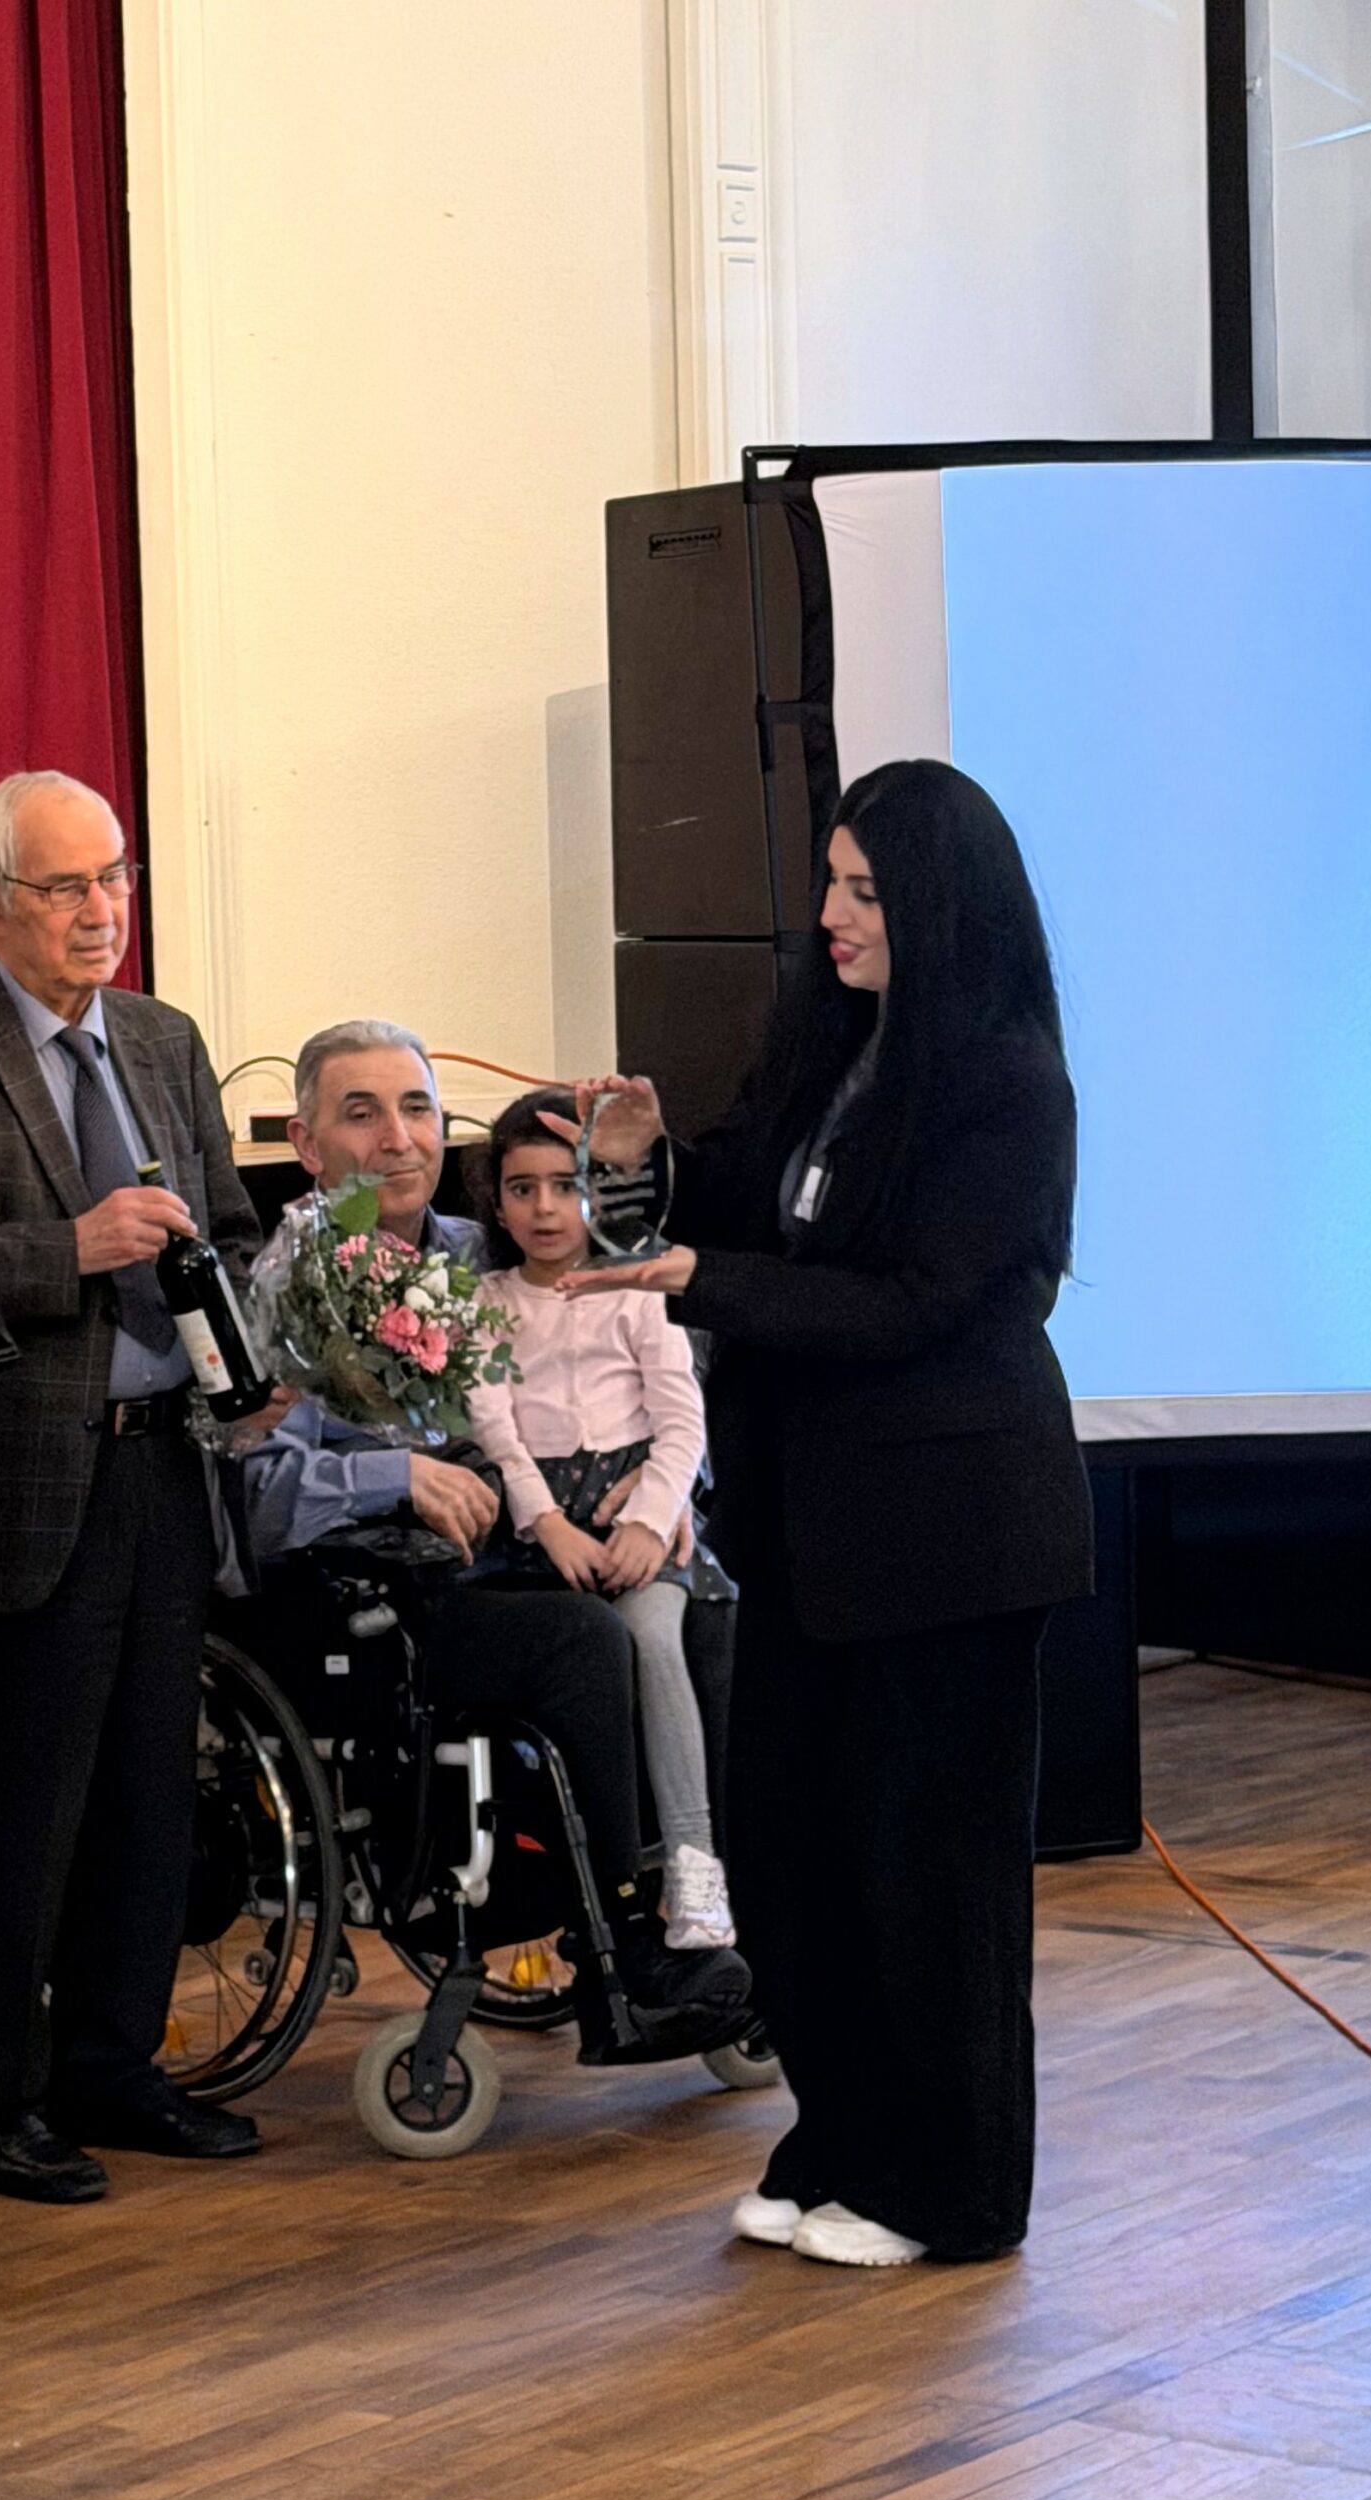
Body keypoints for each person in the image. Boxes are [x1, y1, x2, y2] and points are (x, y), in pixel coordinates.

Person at [562, 759, 1092, 2268]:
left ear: (937, 903)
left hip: (949, 1539)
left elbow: (914, 1303)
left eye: (864, 890)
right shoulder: (834, 1047)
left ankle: (952, 2191)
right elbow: (741, 1193)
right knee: (798, 1860)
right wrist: (648, 1165)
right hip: (810, 1535)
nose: (832, 915)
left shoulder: (1008, 1083)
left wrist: (706, 1283)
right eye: (831, 884)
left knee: (930, 1881)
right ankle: (844, 2139)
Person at [0, 770, 264, 2203]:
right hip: (13, 1483)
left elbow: (228, 1227)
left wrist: (258, 1351)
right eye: (66, 886)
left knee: (145, 1797)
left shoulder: (162, 1039)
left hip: (164, 1466)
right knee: (12, 1814)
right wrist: (70, 1249)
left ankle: (116, 2068)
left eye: (115, 877)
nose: (102, 909)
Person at [240, 1021, 752, 2051]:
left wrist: (658, 1494)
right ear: (305, 1143)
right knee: (584, 1639)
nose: (397, 1138)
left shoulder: (482, 1250)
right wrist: (395, 1473)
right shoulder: (288, 1284)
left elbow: (645, 1356)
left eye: (417, 1109)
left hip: (525, 1549)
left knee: (707, 1608)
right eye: (361, 1113)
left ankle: (710, 1907)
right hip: (379, 1594)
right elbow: (254, 1493)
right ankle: (618, 1954)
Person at [464, 1089, 734, 1951]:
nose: (544, 1209)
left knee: (654, 1636)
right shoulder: (483, 1301)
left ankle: (694, 1864)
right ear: (496, 1200)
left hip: (635, 1516)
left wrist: (651, 1519)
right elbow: (495, 1433)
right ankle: (594, 1874)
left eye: (566, 1186)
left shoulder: (638, 1289)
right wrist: (544, 1522)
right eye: (522, 1189)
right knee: (582, 1654)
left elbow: (681, 1419)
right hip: (542, 1529)